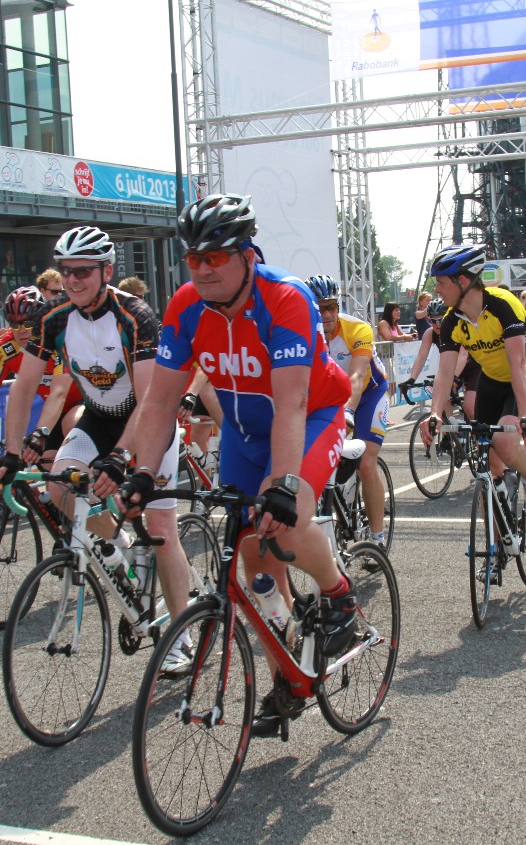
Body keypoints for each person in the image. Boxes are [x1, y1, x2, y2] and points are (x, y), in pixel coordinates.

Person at [110, 194, 356, 738]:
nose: (202, 269)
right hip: (245, 434)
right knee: (255, 568)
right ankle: (288, 676)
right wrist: (143, 473)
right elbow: (159, 402)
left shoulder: (286, 298)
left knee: (287, 519)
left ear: (246, 256)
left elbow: (292, 404)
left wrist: (283, 485)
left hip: (312, 416)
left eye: (215, 257)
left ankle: (338, 593)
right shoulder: (185, 307)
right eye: (193, 258)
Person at [0, 225, 193, 675]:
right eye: (66, 271)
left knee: (161, 528)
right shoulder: (52, 315)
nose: (73, 279)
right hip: (99, 417)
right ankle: (118, 543)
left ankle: (180, 635)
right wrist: (11, 453)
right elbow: (22, 388)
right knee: (59, 488)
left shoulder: (134, 315)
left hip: (148, 420)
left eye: (84, 271)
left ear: (107, 271)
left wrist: (121, 457)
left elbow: (150, 400)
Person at [419, 244, 526, 518]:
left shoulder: (503, 305)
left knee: (505, 439)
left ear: (462, 280)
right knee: (485, 455)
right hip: (493, 377)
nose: (437, 289)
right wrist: (434, 413)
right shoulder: (452, 321)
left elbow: (519, 363)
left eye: (441, 282)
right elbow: (445, 371)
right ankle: (500, 523)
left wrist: (525, 415)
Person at [0, 286, 83, 468]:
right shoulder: (7, 348)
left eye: (28, 323)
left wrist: (39, 433)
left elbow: (59, 393)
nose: (22, 330)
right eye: (15, 324)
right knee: (50, 469)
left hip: (85, 403)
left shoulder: (58, 340)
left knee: (70, 426)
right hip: (56, 413)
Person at [306, 274, 391, 548]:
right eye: (320, 308)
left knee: (366, 464)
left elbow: (357, 376)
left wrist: (349, 411)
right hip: (331, 398)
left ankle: (377, 538)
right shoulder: (302, 334)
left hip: (368, 395)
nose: (327, 314)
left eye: (331, 306)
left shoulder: (357, 329)